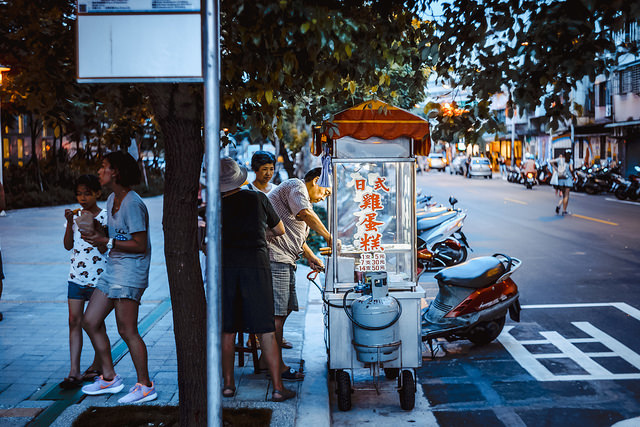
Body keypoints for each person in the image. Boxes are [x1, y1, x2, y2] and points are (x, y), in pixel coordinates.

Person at [80, 151, 157, 404]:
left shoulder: (133, 203)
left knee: (127, 330)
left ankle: (145, 385)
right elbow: (111, 238)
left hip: (130, 273)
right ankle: (110, 377)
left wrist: (106, 239)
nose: (100, 171)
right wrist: (96, 230)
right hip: (113, 269)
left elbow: (140, 243)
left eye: (104, 167)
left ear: (116, 172)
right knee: (90, 320)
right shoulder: (112, 197)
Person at [219, 158, 296, 402]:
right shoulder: (257, 198)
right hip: (256, 265)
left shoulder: (215, 206)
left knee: (228, 329)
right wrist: (259, 234)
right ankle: (277, 388)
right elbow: (280, 230)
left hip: (227, 267)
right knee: (264, 328)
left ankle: (229, 386)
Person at [265, 168, 331, 381]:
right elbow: (304, 214)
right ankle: (276, 366)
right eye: (325, 191)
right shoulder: (296, 186)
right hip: (275, 257)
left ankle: (267, 360)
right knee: (277, 314)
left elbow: (297, 236)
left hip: (285, 258)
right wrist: (330, 237)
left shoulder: (300, 197)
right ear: (314, 180)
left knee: (284, 311)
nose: (324, 196)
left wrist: (310, 256)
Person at [60, 175, 108, 389]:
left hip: (98, 279)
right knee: (74, 321)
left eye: (87, 193)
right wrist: (70, 223)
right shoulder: (76, 217)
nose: (82, 198)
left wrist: (96, 229)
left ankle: (99, 364)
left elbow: (106, 248)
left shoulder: (105, 216)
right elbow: (68, 245)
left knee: (95, 323)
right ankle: (74, 371)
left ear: (97, 193)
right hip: (76, 277)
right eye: (79, 193)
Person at [550, 149, 574, 215]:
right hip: (568, 180)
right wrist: (573, 176)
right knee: (566, 196)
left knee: (563, 195)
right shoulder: (570, 161)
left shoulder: (559, 159)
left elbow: (550, 161)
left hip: (560, 179)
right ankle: (564, 210)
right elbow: (571, 169)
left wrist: (556, 168)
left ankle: (559, 206)